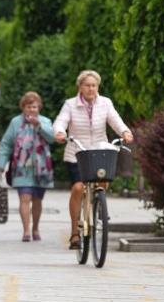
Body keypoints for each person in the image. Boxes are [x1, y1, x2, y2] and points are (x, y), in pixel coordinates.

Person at [53, 70, 133, 250]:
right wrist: (60, 132)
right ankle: (75, 232)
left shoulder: (105, 103)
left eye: (94, 85)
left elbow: (115, 120)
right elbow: (61, 121)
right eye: (87, 85)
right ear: (80, 87)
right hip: (78, 152)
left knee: (103, 181)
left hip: (99, 151)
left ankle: (97, 207)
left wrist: (125, 132)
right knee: (78, 187)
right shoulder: (70, 104)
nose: (91, 89)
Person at [0, 91, 55, 242]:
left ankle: (35, 227)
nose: (32, 110)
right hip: (21, 169)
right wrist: (1, 164)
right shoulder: (15, 123)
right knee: (25, 197)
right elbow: (6, 144)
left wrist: (39, 126)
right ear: (23, 107)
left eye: (35, 107)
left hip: (41, 169)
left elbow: (52, 138)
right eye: (29, 106)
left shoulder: (45, 121)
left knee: (37, 200)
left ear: (39, 108)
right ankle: (26, 231)